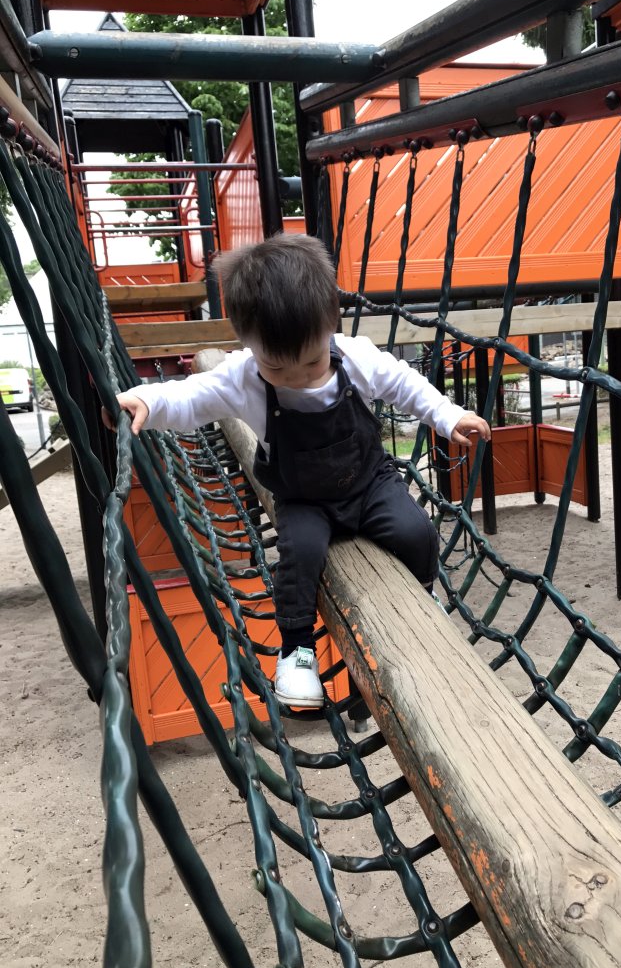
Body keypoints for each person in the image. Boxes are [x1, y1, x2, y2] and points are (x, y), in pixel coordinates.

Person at [107, 234, 490, 709]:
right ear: (247, 343)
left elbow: (404, 383)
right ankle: (296, 651)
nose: (298, 377)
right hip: (303, 497)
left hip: (369, 482)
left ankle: (424, 595)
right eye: (278, 368)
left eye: (311, 361)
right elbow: (190, 396)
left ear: (332, 324)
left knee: (417, 532)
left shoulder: (353, 356)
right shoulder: (242, 375)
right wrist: (146, 399)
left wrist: (448, 417)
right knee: (299, 554)